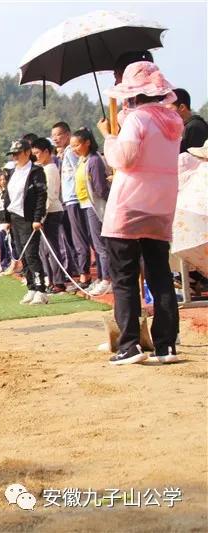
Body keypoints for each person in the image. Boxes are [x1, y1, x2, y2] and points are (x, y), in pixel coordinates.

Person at [97, 61, 184, 365]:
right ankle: (166, 344)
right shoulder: (173, 122)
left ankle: (130, 344)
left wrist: (109, 137)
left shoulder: (137, 122)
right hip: (160, 206)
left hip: (130, 205)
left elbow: (125, 158)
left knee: (124, 277)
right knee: (160, 275)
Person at [4, 139, 48, 305]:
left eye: (18, 153)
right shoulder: (12, 172)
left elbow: (41, 196)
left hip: (29, 218)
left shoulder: (36, 171)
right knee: (22, 254)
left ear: (27, 152)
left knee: (31, 254)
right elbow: (6, 196)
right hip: (15, 217)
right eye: (13, 154)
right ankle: (31, 287)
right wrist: (5, 219)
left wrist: (38, 218)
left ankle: (40, 289)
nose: (15, 157)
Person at [70, 128, 112, 296]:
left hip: (95, 204)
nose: (74, 149)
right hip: (85, 204)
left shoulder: (94, 160)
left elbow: (100, 187)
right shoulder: (83, 160)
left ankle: (107, 279)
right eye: (72, 146)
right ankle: (102, 276)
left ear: (87, 142)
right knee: (96, 244)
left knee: (101, 245)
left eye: (77, 145)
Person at [52, 121, 91, 286]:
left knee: (80, 237)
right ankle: (78, 270)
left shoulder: (72, 151)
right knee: (71, 238)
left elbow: (80, 171)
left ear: (67, 134)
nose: (55, 139)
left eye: (59, 135)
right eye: (53, 136)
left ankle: (85, 274)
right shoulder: (62, 154)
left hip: (76, 198)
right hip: (67, 200)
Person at [30, 137, 67, 293]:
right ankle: (52, 280)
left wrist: (40, 217)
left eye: (38, 153)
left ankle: (59, 282)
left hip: (52, 212)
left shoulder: (50, 169)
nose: (36, 156)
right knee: (45, 250)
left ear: (46, 152)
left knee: (52, 248)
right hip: (47, 213)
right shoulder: (43, 168)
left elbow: (50, 196)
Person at [168, 88, 208, 153]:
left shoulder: (195, 127)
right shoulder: (185, 127)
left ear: (182, 107)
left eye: (169, 109)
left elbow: (197, 158)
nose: (165, 113)